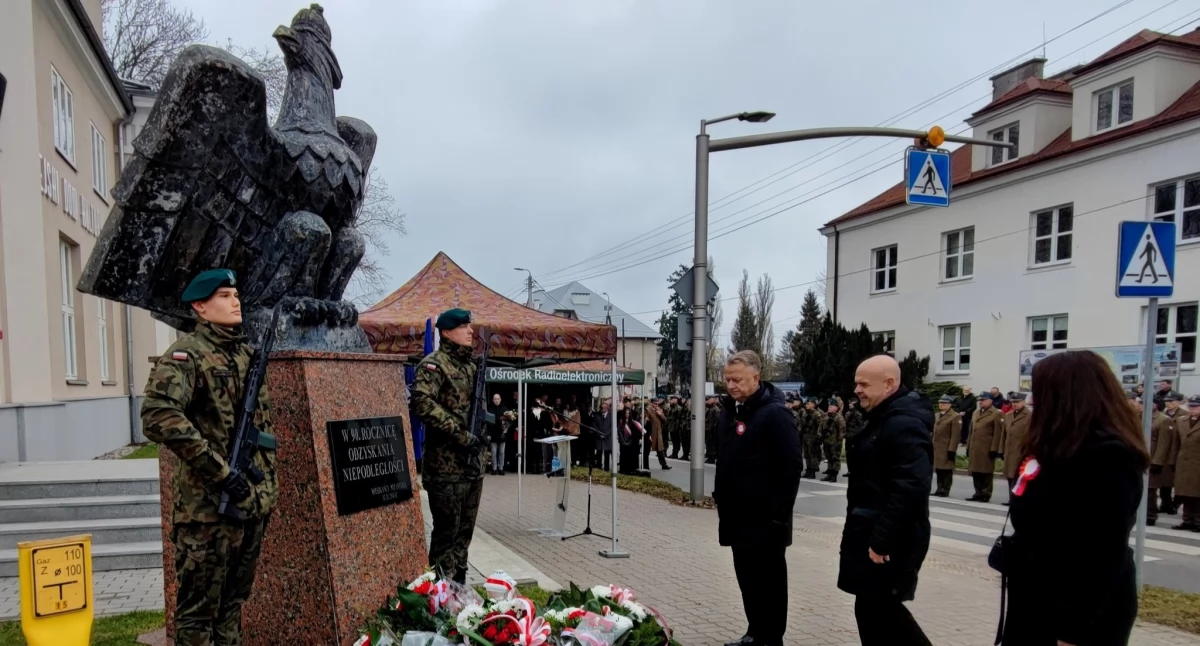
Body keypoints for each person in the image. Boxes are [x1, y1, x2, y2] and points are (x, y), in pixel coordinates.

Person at [141, 268, 279, 644]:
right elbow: (157, 416)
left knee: (232, 605)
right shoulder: (187, 356)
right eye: (223, 295)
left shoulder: (246, 355)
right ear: (200, 307)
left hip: (249, 504)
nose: (235, 301)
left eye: (235, 294)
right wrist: (220, 472)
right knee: (198, 616)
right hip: (207, 511)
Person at [998, 351, 1147, 645]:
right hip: (1039, 594)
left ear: (1065, 397)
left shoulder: (1107, 457)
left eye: (1039, 393)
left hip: (1076, 612)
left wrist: (1073, 631)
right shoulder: (1057, 445)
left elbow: (1102, 552)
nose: (1032, 402)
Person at [837, 355, 932, 645]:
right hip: (869, 529)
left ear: (890, 384)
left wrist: (882, 540)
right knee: (870, 609)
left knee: (883, 611)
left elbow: (911, 488)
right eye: (856, 383)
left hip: (888, 540)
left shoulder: (904, 424)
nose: (857, 390)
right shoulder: (882, 417)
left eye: (864, 384)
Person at [714, 351, 801, 646]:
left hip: (767, 522)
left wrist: (778, 515)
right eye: (727, 379)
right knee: (748, 580)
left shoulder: (775, 414)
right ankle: (755, 632)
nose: (731, 385)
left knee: (770, 584)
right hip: (737, 518)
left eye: (737, 379)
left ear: (756, 377)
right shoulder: (730, 411)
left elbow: (790, 467)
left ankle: (771, 638)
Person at [411, 308, 487, 584]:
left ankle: (460, 592)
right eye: (464, 326)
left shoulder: (470, 367)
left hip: (472, 467)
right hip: (446, 469)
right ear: (446, 332)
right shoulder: (434, 365)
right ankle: (441, 599)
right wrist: (460, 433)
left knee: (463, 538)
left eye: (470, 326)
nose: (470, 331)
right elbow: (421, 403)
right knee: (446, 537)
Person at [968, 393, 1003, 502]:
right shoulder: (975, 413)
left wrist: (994, 449)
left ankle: (986, 493)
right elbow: (971, 431)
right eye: (980, 400)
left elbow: (998, 433)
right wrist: (968, 445)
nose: (981, 402)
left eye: (983, 400)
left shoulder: (996, 413)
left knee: (986, 471)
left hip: (986, 448)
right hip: (975, 447)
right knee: (975, 471)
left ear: (990, 401)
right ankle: (977, 492)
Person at [998, 392, 1030, 500]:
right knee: (1009, 475)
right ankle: (1011, 498)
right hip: (1009, 450)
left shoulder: (1029, 416)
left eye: (1017, 402)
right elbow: (1004, 434)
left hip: (1021, 450)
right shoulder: (1008, 415)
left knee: (1018, 476)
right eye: (1013, 402)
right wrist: (1001, 450)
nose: (1015, 404)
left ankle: (1018, 498)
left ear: (1023, 402)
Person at [1174, 396, 1200, 532]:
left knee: (1197, 495)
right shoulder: (1181, 421)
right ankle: (1187, 520)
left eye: (1196, 407)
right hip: (1183, 463)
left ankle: (1198, 521)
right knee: (1185, 493)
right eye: (1191, 406)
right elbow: (1175, 443)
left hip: (1197, 464)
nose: (1192, 409)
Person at [932, 394, 960, 497]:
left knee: (947, 469)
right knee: (939, 469)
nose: (942, 405)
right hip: (937, 447)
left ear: (949, 404)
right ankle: (939, 488)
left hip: (946, 447)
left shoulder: (955, 416)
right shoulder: (936, 415)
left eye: (944, 403)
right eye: (940, 403)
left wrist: (952, 449)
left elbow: (955, 435)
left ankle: (945, 489)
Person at [821, 398, 847, 482]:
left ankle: (834, 475)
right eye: (829, 406)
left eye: (831, 406)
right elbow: (822, 427)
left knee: (835, 458)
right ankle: (829, 473)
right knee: (829, 458)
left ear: (836, 408)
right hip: (827, 441)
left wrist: (839, 442)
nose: (829, 408)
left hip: (835, 442)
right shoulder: (826, 416)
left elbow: (842, 431)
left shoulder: (839, 417)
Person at [486, 394, 507, 476]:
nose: (496, 400)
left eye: (498, 399)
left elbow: (508, 421)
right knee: (494, 452)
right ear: (493, 400)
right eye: (495, 399)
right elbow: (487, 422)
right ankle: (494, 468)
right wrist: (488, 433)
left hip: (502, 434)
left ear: (500, 399)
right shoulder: (489, 409)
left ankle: (500, 468)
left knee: (502, 452)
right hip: (493, 433)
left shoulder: (504, 409)